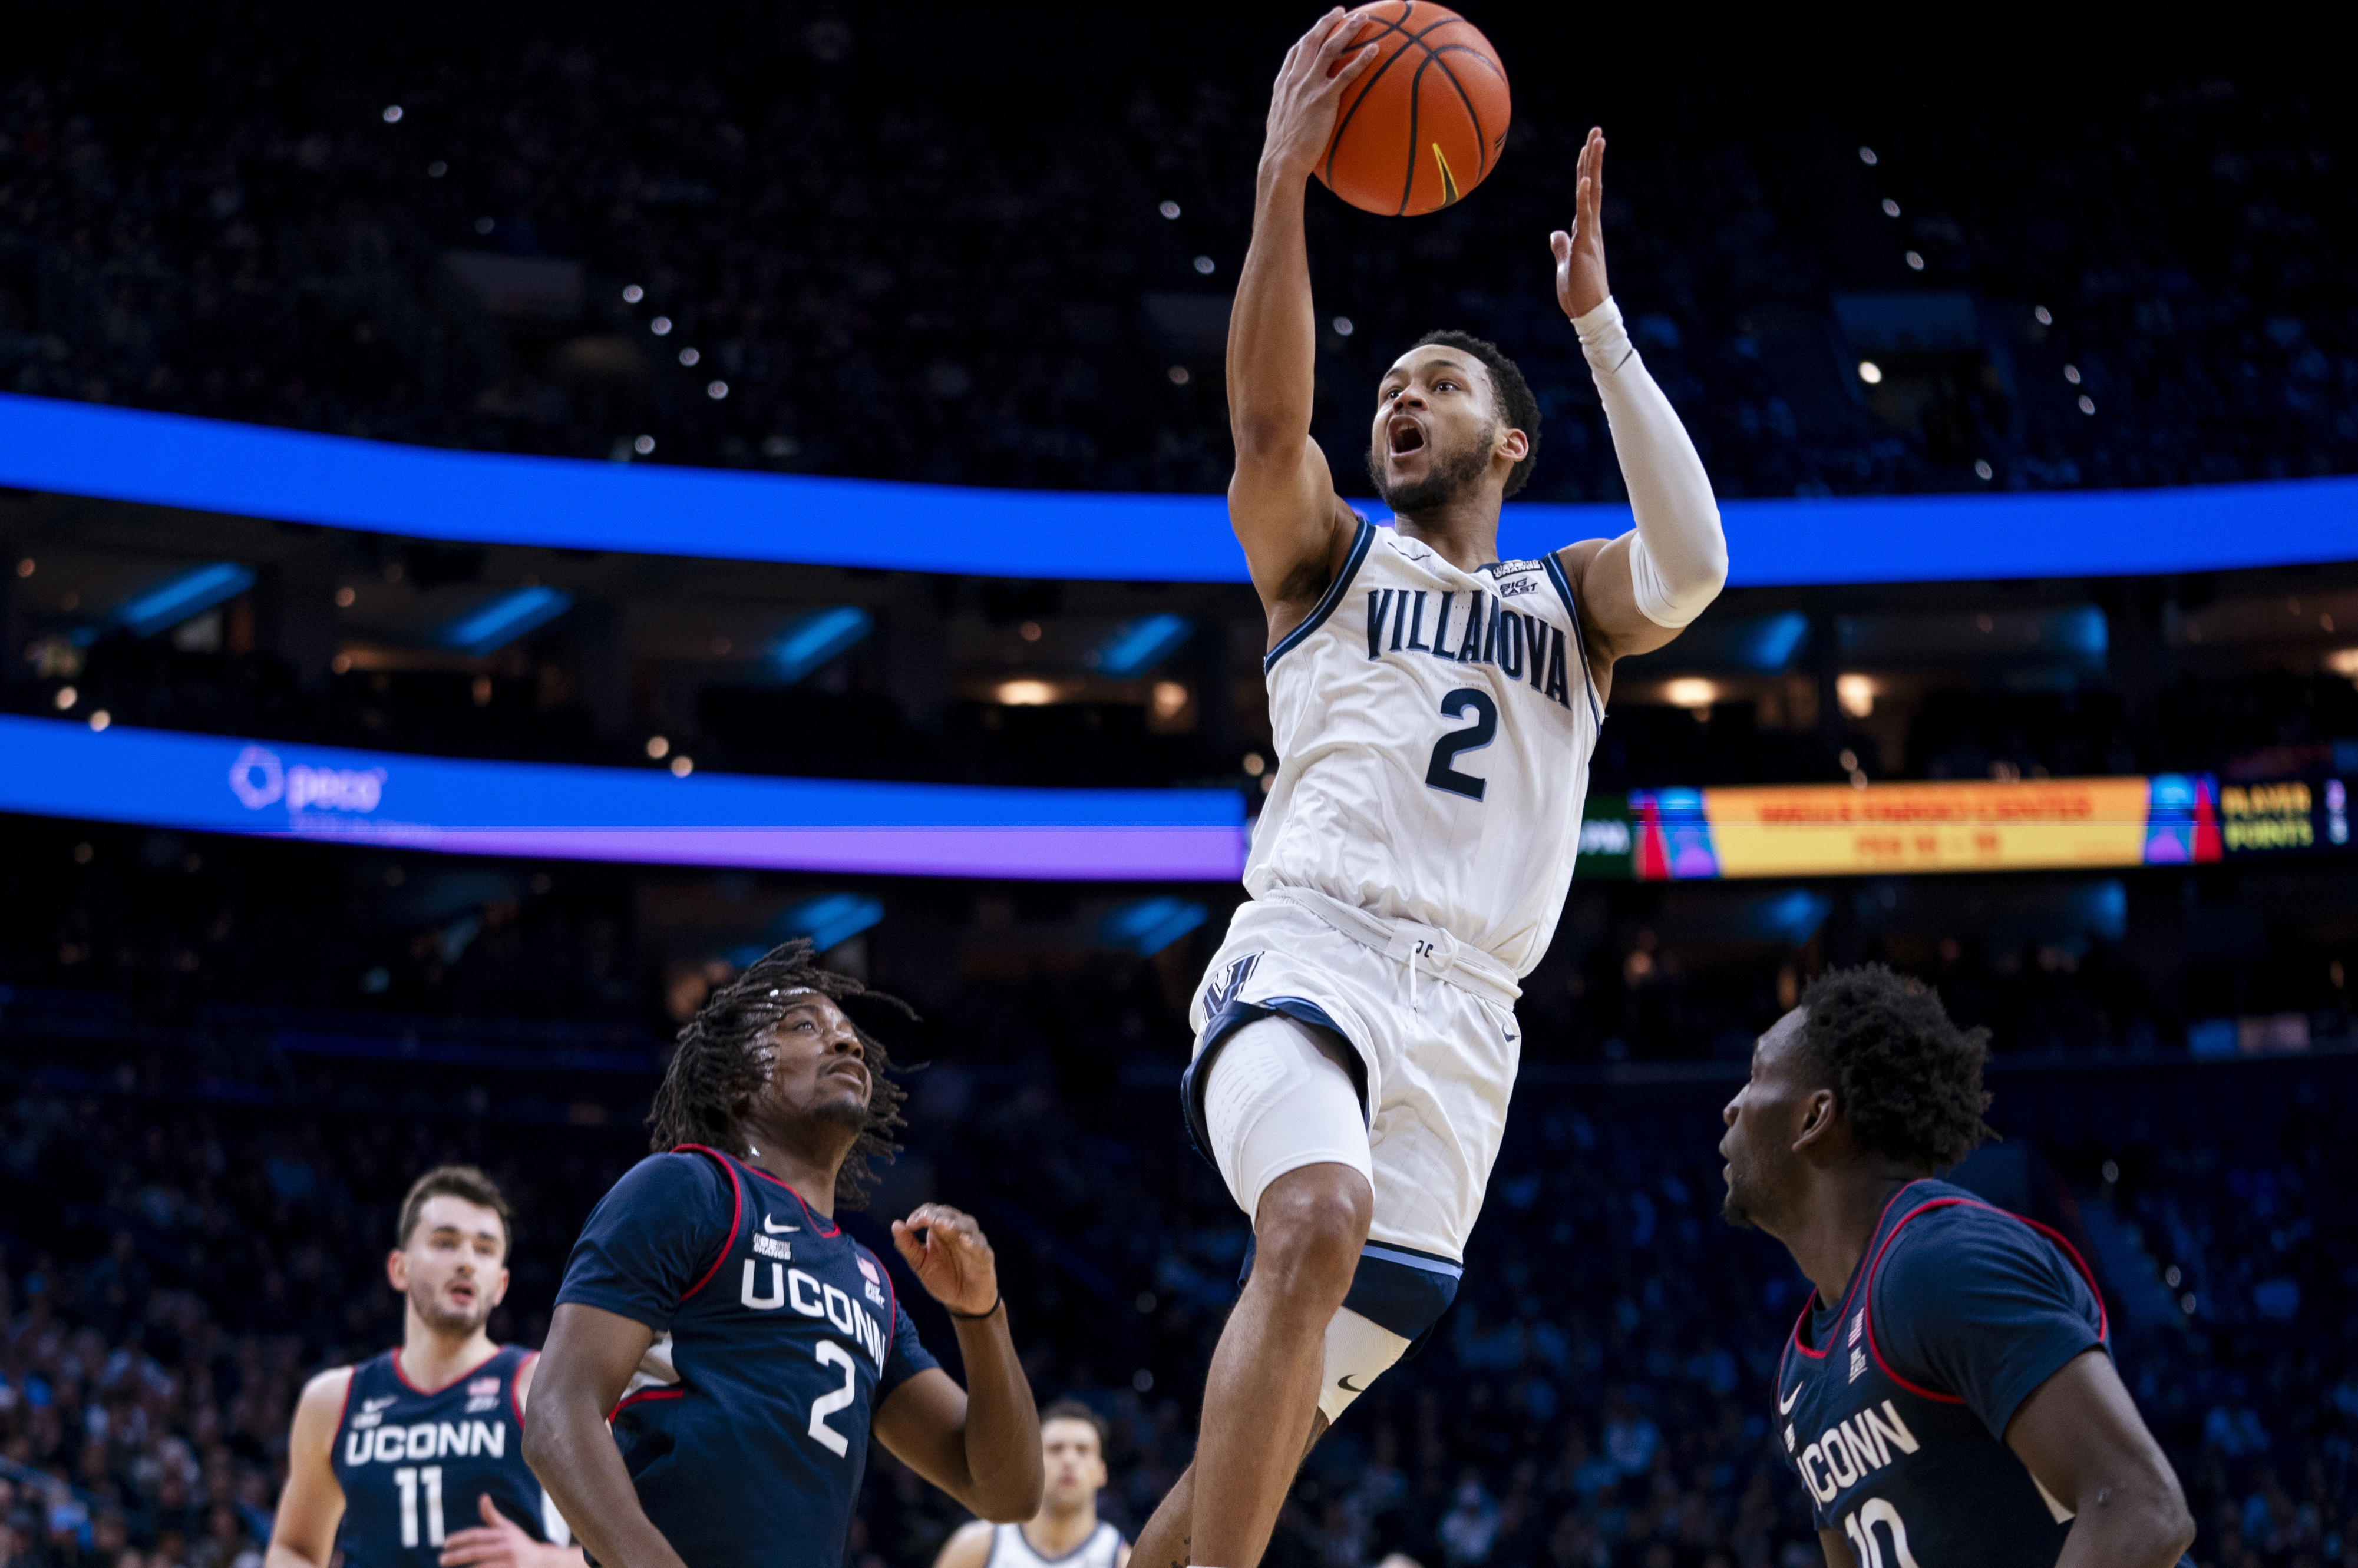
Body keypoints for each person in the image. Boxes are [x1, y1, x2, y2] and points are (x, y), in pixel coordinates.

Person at [1137, 12, 1730, 1568]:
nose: (1401, 396)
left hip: (1472, 1019)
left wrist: (1596, 322)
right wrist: (1281, 184)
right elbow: (1270, 424)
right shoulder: (1329, 560)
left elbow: (1699, 563)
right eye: (1391, 383)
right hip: (1312, 948)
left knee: (1244, 1464)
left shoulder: (1572, 605)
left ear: (1510, 439)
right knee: (1313, 1221)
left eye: (1440, 384)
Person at [521, 941, 1043, 1568]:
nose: (848, 1044)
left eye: (851, 1036)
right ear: (740, 1081)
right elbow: (558, 1413)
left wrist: (982, 1314)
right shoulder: (688, 1187)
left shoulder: (869, 1281)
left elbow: (1006, 1491)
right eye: (806, 1026)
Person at [1718, 965, 2197, 1567]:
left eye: (1758, 1074)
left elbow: (2141, 1506)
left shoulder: (1939, 1263)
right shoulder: (1798, 1371)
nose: (1731, 1107)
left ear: (1815, 1118)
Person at [267, 1166, 581, 1568]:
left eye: (484, 1249)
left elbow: (634, 1545)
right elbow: (292, 1549)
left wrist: (543, 1561)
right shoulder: (333, 1401)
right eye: (446, 1243)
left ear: (501, 1285)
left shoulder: (543, 1386)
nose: (467, 1262)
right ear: (399, 1268)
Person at [932, 1401, 1131, 1568]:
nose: (1069, 1460)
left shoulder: (1122, 1560)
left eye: (1082, 1450)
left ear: (1101, 1472)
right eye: (1055, 1449)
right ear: (1031, 1466)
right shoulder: (976, 1545)